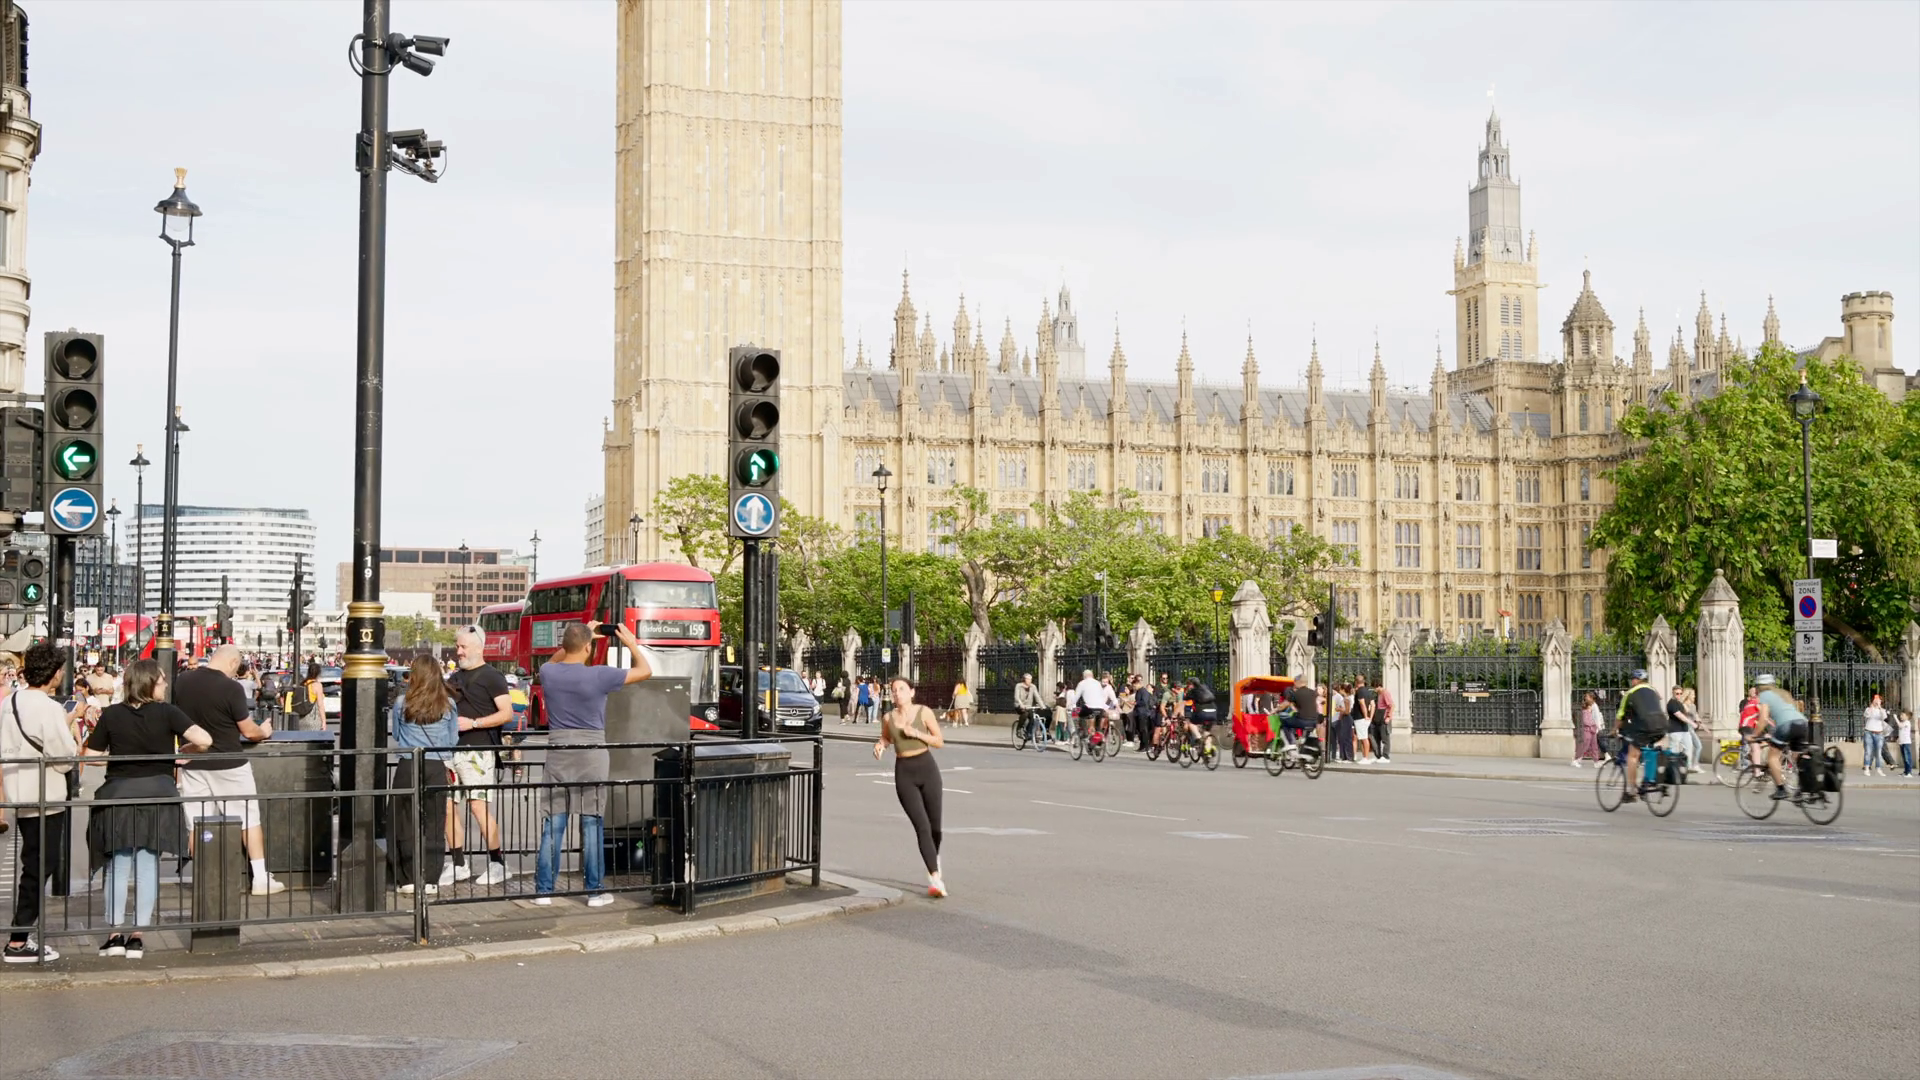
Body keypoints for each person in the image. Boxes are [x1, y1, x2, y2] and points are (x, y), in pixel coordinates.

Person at [82, 660, 210, 960]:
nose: (165, 685)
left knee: (118, 864)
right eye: (162, 681)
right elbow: (205, 740)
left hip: (119, 795)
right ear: (149, 683)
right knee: (147, 864)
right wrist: (182, 752)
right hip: (158, 795)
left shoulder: (112, 714)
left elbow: (90, 756)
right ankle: (137, 937)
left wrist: (119, 757)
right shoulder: (168, 713)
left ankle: (114, 935)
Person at [531, 621, 651, 906]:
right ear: (588, 648)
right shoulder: (600, 675)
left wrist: (584, 632)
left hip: (559, 752)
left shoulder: (548, 672)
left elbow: (556, 659)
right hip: (592, 753)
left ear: (565, 645)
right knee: (591, 822)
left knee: (554, 823)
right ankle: (594, 891)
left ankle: (544, 891)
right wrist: (630, 643)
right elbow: (645, 670)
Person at [176, 645, 285, 895]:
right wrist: (264, 731)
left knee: (197, 823)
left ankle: (203, 879)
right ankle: (260, 878)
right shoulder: (231, 688)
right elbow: (248, 730)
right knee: (248, 819)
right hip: (230, 763)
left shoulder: (183, 681)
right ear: (233, 663)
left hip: (193, 762)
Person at [1, 643, 84, 964]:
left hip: (19, 790)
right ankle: (18, 940)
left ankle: (20, 936)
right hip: (45, 795)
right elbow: (63, 758)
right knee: (40, 865)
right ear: (54, 673)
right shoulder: (47, 707)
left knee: (32, 862)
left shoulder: (11, 701)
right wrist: (69, 723)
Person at [446, 626, 515, 887]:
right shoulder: (454, 677)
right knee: (448, 805)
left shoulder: (493, 677)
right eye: (457, 646)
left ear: (478, 647)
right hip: (452, 749)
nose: (458, 651)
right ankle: (458, 863)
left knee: (478, 806)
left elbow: (507, 713)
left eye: (463, 646)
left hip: (479, 750)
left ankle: (498, 863)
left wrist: (474, 723)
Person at [389, 655, 460, 896]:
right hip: (436, 765)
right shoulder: (448, 704)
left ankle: (408, 878)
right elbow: (452, 740)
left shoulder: (402, 702)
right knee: (435, 822)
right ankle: (430, 878)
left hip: (409, 764)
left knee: (404, 822)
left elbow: (396, 735)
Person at [873, 675, 946, 898]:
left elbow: (939, 741)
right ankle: (935, 878)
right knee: (922, 827)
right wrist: (880, 745)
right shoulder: (888, 718)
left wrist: (916, 733)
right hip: (904, 773)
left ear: (912, 692)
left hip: (928, 770)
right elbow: (886, 738)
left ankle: (934, 859)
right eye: (894, 690)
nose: (897, 693)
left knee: (935, 828)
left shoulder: (924, 712)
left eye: (901, 689)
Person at [1612, 669, 1668, 803]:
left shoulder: (1630, 693)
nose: (1632, 682)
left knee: (1632, 756)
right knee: (1652, 751)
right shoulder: (1654, 691)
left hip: (1645, 726)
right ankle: (1650, 781)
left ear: (1636, 680)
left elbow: (1620, 715)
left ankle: (1632, 792)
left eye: (1632, 679)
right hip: (1662, 724)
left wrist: (1614, 730)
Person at [1753, 673, 1808, 801]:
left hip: (1786, 725)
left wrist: (1754, 735)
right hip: (1802, 723)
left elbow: (1763, 719)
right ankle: (1802, 788)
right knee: (1797, 758)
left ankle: (1781, 790)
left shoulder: (1764, 695)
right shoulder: (1783, 693)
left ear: (1759, 687)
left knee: (1772, 757)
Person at [1183, 676, 1219, 756]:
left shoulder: (1193, 691)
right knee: (1207, 731)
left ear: (1192, 684)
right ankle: (1208, 749)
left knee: (1191, 723)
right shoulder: (1205, 688)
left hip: (1203, 712)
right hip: (1213, 712)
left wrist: (1186, 693)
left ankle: (1198, 738)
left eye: (1189, 684)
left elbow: (1185, 698)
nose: (1188, 686)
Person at [1013, 673, 1047, 742]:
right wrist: (1021, 704)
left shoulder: (1033, 687)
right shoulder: (1018, 686)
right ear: (1024, 679)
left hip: (1029, 706)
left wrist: (1042, 706)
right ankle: (1019, 729)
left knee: (1033, 717)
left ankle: (1029, 732)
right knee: (1025, 714)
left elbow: (1037, 697)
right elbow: (1016, 697)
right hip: (1019, 705)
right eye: (1028, 679)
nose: (1029, 681)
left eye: (1030, 679)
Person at [1862, 694, 1890, 778]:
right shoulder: (1868, 709)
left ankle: (1878, 768)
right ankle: (1867, 768)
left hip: (1879, 733)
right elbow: (1867, 715)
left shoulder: (1882, 710)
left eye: (1879, 700)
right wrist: (1872, 706)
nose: (1877, 701)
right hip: (1869, 732)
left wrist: (1879, 707)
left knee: (1878, 752)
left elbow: (1884, 717)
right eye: (1875, 699)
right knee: (1868, 751)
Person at [1352, 674, 1377, 763]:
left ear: (1356, 682)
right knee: (1363, 737)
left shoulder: (1359, 691)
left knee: (1363, 738)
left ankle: (1365, 758)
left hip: (1360, 717)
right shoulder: (1368, 691)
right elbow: (1373, 705)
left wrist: (1365, 715)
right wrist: (1371, 716)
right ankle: (1364, 757)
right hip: (1366, 719)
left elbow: (1362, 704)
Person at [1573, 691, 1603, 766]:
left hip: (1593, 729)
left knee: (1594, 745)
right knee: (1585, 745)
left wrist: (1597, 727)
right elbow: (1586, 721)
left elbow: (1596, 717)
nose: (1585, 697)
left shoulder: (1594, 706)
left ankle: (1596, 761)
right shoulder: (1586, 709)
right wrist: (1595, 725)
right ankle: (1577, 759)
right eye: (1586, 696)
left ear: (1591, 698)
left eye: (1587, 696)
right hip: (1587, 729)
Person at [1373, 682, 1394, 764]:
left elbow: (1392, 705)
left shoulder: (1385, 693)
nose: (1374, 690)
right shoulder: (1379, 694)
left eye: (1375, 688)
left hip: (1384, 717)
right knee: (1378, 737)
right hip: (1379, 717)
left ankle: (1386, 756)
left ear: (1379, 686)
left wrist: (1388, 716)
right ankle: (1380, 756)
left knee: (1385, 738)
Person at [1895, 710, 1914, 778]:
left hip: (1906, 743)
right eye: (1900, 715)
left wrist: (1895, 718)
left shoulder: (1907, 722)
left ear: (1907, 716)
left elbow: (1900, 726)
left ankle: (1909, 772)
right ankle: (1906, 772)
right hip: (1902, 742)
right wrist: (1898, 739)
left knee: (1907, 758)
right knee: (1904, 758)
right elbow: (1902, 732)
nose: (1900, 716)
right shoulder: (1903, 722)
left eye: (1902, 715)